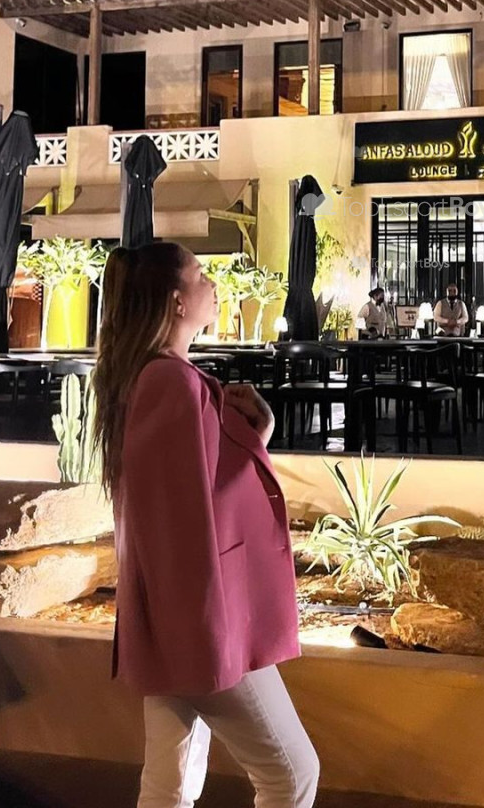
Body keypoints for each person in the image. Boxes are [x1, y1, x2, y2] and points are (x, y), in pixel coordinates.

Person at [93, 242, 319, 808]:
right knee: (292, 775)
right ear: (176, 300)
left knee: (169, 785)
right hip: (200, 624)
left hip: (175, 623)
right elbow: (178, 522)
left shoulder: (157, 379)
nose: (213, 284)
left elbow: (196, 495)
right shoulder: (170, 383)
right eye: (200, 275)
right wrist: (204, 634)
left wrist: (255, 436)